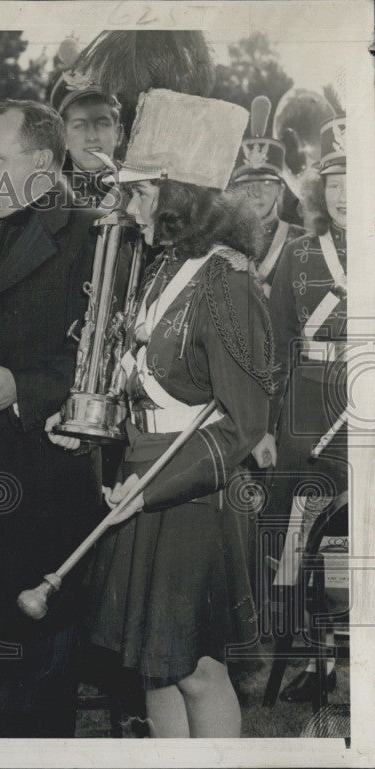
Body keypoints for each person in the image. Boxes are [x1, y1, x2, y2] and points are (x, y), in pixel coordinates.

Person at [47, 90, 271, 738]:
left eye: (141, 192)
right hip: (136, 482)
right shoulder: (156, 267)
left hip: (188, 500)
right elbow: (138, 382)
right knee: (153, 667)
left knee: (197, 668)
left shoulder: (227, 284)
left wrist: (152, 489)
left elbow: (242, 422)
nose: (129, 205)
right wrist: (86, 425)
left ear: (179, 196)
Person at [0, 99, 103, 737]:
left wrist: (23, 390)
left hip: (46, 489)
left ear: (42, 162)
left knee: (40, 680)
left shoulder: (93, 234)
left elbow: (104, 359)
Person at [263, 115, 347, 703]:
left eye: (357, 181)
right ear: (320, 189)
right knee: (298, 528)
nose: (345, 194)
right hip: (306, 401)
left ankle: (350, 654)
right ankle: (302, 658)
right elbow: (276, 341)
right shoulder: (295, 252)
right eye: (335, 182)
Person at [229, 95, 304, 299]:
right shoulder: (222, 239)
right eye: (247, 184)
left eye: (266, 183)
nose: (256, 192)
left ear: (281, 190)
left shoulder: (303, 241)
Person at [48, 42, 124, 210]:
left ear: (118, 133)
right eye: (79, 125)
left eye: (102, 124)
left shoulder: (140, 197)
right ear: (62, 138)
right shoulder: (45, 201)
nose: (91, 136)